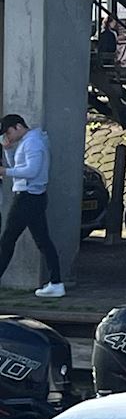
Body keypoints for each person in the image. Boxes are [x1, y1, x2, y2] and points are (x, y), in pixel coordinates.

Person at [0, 114, 65, 298]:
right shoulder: (30, 141)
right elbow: (19, 166)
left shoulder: (32, 142)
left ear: (18, 126)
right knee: (43, 240)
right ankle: (56, 282)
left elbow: (31, 171)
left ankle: (56, 282)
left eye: (8, 132)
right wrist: (8, 152)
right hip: (33, 196)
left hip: (27, 197)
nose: (7, 137)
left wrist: (4, 171)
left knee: (7, 240)